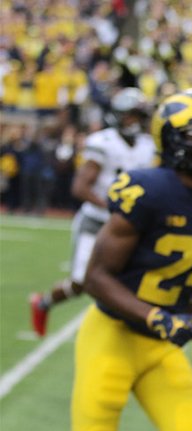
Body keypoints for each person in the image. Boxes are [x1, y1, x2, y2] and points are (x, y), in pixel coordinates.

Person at [35, 88, 192, 431]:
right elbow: (96, 277)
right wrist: (154, 315)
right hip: (113, 337)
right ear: (172, 139)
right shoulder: (147, 188)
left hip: (160, 347)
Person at [29, 87, 156, 337]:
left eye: (138, 116)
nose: (134, 121)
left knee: (130, 278)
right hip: (96, 222)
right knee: (81, 282)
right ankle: (43, 302)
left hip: (129, 225)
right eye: (129, 115)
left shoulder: (148, 145)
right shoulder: (103, 142)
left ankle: (122, 328)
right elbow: (80, 187)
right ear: (118, 115)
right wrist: (114, 208)